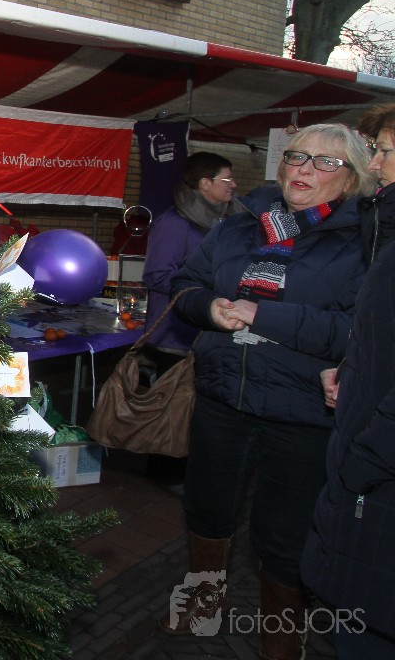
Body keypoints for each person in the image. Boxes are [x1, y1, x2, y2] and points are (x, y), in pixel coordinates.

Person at [159, 123, 374, 660]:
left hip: (302, 412)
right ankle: (203, 604)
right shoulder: (237, 227)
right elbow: (184, 284)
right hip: (221, 396)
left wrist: (265, 316)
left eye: (325, 162)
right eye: (297, 156)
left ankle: (283, 636)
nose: (304, 169)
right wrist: (208, 308)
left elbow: (360, 332)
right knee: (207, 510)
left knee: (284, 535)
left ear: (351, 179)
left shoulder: (363, 242)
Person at [302, 103, 395, 659]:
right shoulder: (383, 231)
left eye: (384, 151)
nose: (377, 164)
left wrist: (366, 458)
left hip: (375, 471)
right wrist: (357, 369)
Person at [141, 151, 244, 372]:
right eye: (227, 179)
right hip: (176, 337)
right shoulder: (174, 223)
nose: (234, 184)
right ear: (205, 184)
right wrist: (204, 292)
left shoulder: (228, 222)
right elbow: (157, 275)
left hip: (210, 333)